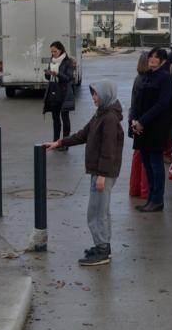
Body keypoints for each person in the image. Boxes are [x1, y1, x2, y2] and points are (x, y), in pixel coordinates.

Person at [45, 81, 123, 266]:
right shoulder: (101, 113)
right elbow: (83, 134)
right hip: (99, 171)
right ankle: (102, 245)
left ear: (105, 94)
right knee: (99, 211)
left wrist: (102, 175)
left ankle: (102, 250)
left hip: (103, 172)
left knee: (97, 212)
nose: (93, 98)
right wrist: (60, 143)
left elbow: (109, 149)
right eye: (93, 94)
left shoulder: (110, 118)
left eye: (96, 94)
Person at [130, 48, 172, 212]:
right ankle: (150, 198)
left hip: (156, 127)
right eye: (151, 57)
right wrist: (134, 121)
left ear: (163, 61)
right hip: (141, 127)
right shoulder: (145, 76)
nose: (153, 59)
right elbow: (136, 100)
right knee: (146, 163)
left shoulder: (165, 78)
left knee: (156, 163)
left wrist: (142, 121)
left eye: (157, 57)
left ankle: (157, 200)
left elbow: (162, 104)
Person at [127, 51, 151, 200]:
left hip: (135, 120)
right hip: (143, 122)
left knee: (138, 156)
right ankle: (145, 191)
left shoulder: (138, 78)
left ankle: (135, 188)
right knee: (146, 159)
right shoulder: (147, 80)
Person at [43, 41, 76, 147]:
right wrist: (48, 74)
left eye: (55, 51)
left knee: (65, 118)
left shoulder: (68, 62)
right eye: (51, 51)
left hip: (64, 93)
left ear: (60, 50)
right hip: (53, 92)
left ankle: (65, 143)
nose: (53, 53)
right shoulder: (52, 61)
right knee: (55, 118)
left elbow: (69, 78)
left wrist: (58, 74)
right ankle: (55, 141)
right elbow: (48, 78)